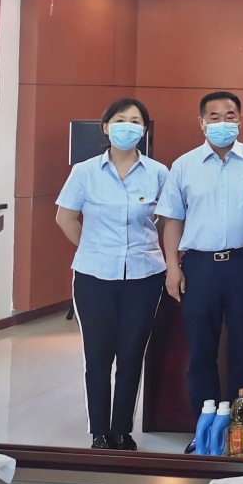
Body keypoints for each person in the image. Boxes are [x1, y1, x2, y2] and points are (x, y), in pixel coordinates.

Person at [156, 91, 243, 450]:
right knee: (201, 353)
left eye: (230, 115)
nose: (223, 122)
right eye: (215, 116)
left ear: (240, 119)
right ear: (202, 122)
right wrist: (172, 266)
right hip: (200, 267)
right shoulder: (183, 166)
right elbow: (172, 220)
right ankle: (204, 433)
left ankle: (242, 433)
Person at [55, 98, 167, 450]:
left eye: (135, 121)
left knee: (132, 355)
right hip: (94, 276)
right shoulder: (84, 171)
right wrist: (93, 247)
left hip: (144, 276)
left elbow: (167, 220)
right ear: (106, 127)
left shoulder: (158, 173)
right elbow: (65, 218)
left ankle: (122, 429)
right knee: (98, 357)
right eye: (120, 120)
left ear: (144, 130)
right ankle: (99, 432)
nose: (127, 126)